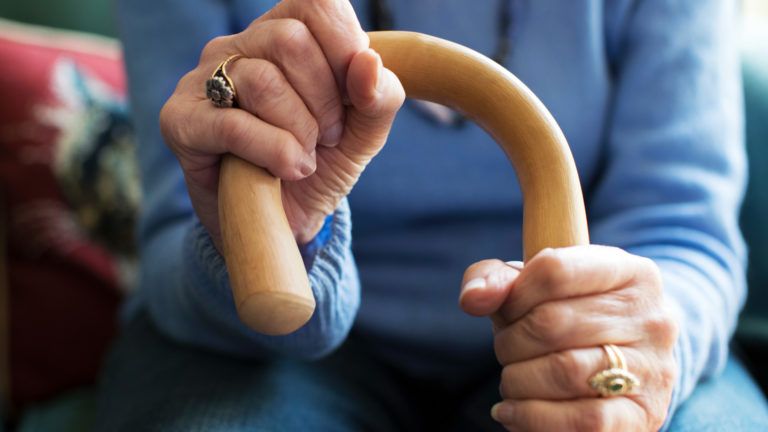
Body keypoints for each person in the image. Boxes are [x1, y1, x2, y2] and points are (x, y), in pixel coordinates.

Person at [95, 0, 768, 430]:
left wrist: (623, 345)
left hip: (560, 329)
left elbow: (681, 222)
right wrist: (266, 242)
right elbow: (170, 239)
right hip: (275, 359)